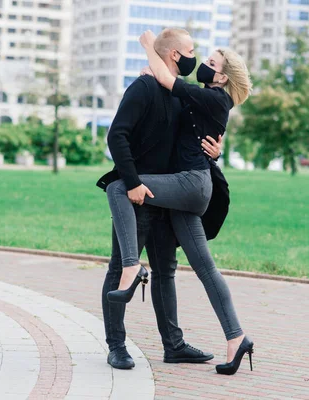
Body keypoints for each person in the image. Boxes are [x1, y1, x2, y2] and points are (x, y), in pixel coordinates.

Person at [105, 29, 254, 375]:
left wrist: (147, 47)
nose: (199, 61)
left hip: (188, 185)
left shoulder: (214, 99)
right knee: (204, 268)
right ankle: (236, 338)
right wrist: (152, 71)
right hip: (183, 191)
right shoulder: (200, 97)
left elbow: (168, 79)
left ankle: (132, 266)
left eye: (209, 61)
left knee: (117, 189)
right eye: (194, 53)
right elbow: (170, 97)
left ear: (221, 76)